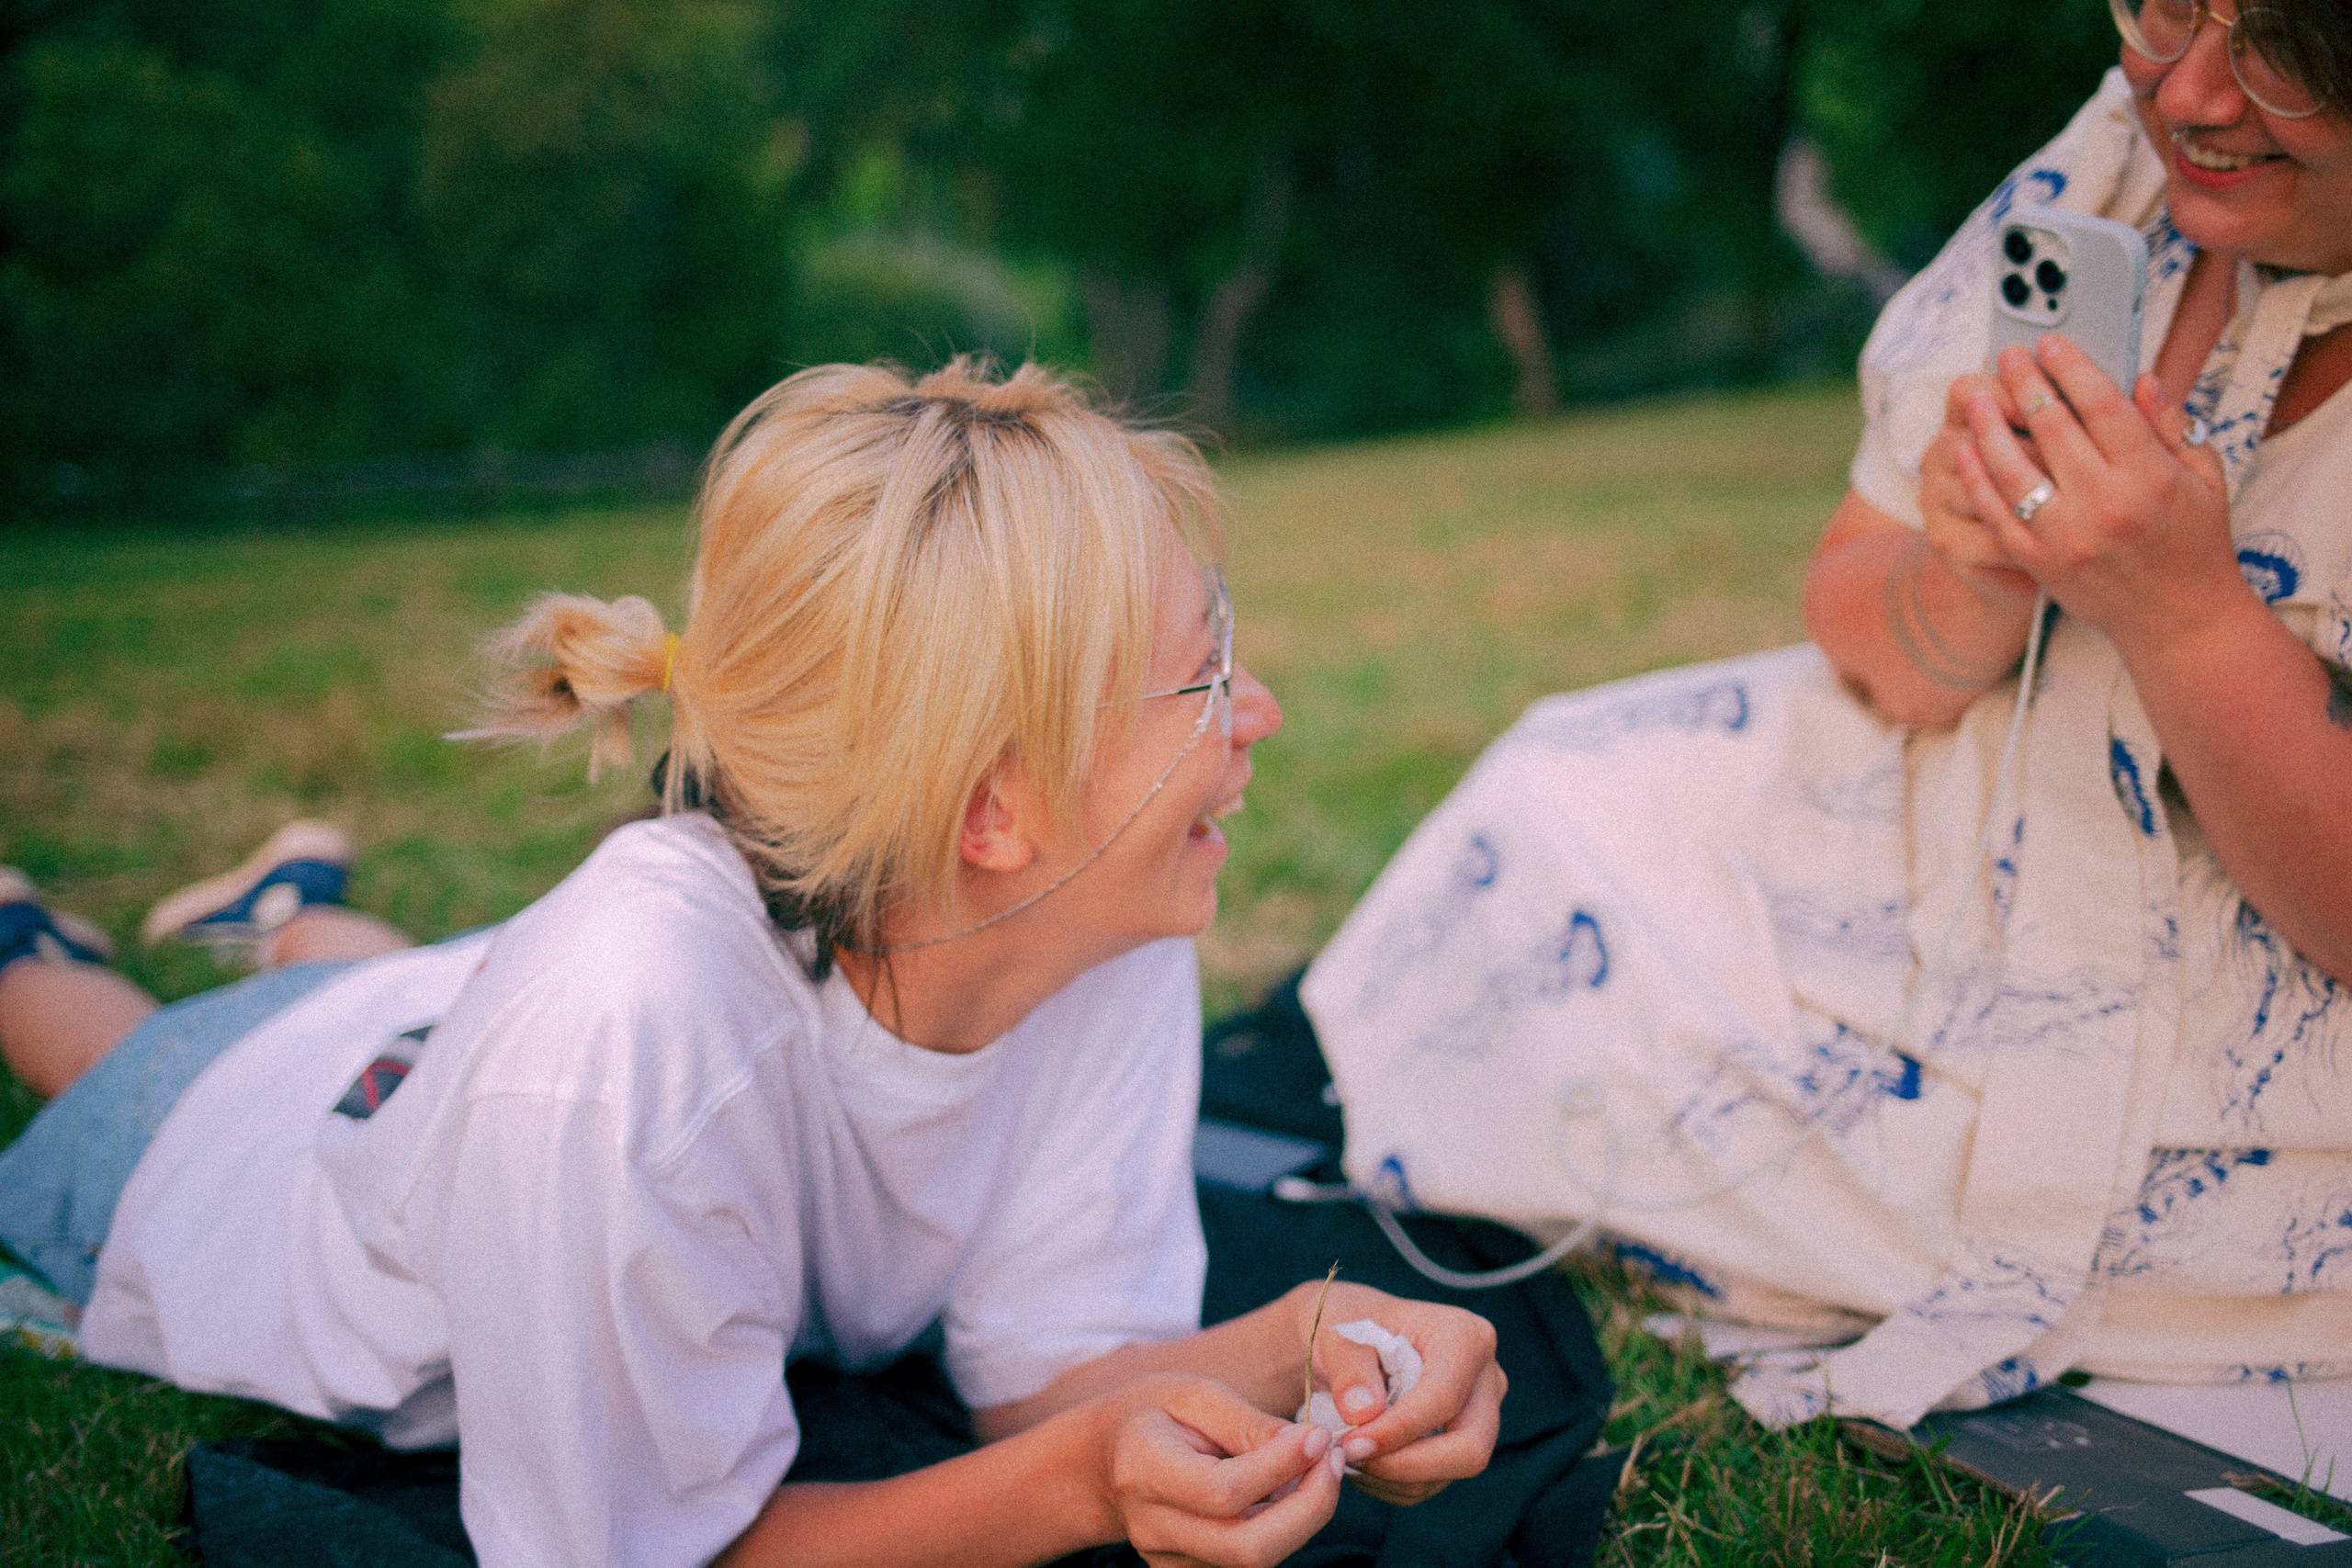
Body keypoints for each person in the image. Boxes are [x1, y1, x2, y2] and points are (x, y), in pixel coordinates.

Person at [0, 360, 1507, 1568]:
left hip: (440, 1024)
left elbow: (1044, 1368)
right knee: (101, 1041)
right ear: (993, 810)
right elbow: (652, 1554)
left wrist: (1311, 1340)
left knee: (370, 985)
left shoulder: (1095, 922)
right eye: (1205, 674)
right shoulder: (618, 1052)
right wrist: (1079, 1488)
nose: (1261, 709)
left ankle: (295, 908)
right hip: (226, 1152)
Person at [1301, 0, 2352, 1433]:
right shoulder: (2116, 159)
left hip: (2237, 1028)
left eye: (2286, 47)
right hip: (1948, 838)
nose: (2190, 96)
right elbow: (1868, 621)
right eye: (2166, 4)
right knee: (1560, 793)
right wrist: (1977, 568)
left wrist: (2190, 622)